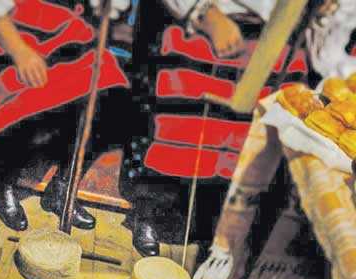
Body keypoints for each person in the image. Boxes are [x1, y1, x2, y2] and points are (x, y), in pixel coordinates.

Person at [122, 0, 356, 258]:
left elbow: (329, 46)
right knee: (181, 129)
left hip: (282, 45)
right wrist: (205, 13)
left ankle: (217, 234)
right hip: (211, 27)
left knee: (247, 147)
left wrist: (321, 15)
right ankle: (153, 214)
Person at [0, 0, 131, 231]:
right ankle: (0, 183)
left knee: (117, 102)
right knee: (27, 103)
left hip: (67, 33)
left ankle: (63, 187)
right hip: (8, 34)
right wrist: (20, 52)